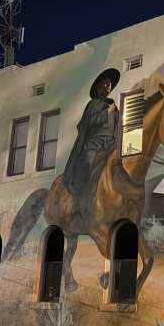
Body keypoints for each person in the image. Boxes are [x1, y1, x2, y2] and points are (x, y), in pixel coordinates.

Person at [63, 69, 121, 221]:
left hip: (111, 143)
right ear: (99, 87)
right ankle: (77, 202)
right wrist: (106, 113)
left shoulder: (113, 107)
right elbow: (85, 123)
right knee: (86, 162)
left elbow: (119, 126)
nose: (108, 86)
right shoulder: (94, 104)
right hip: (95, 143)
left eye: (110, 84)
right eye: (105, 83)